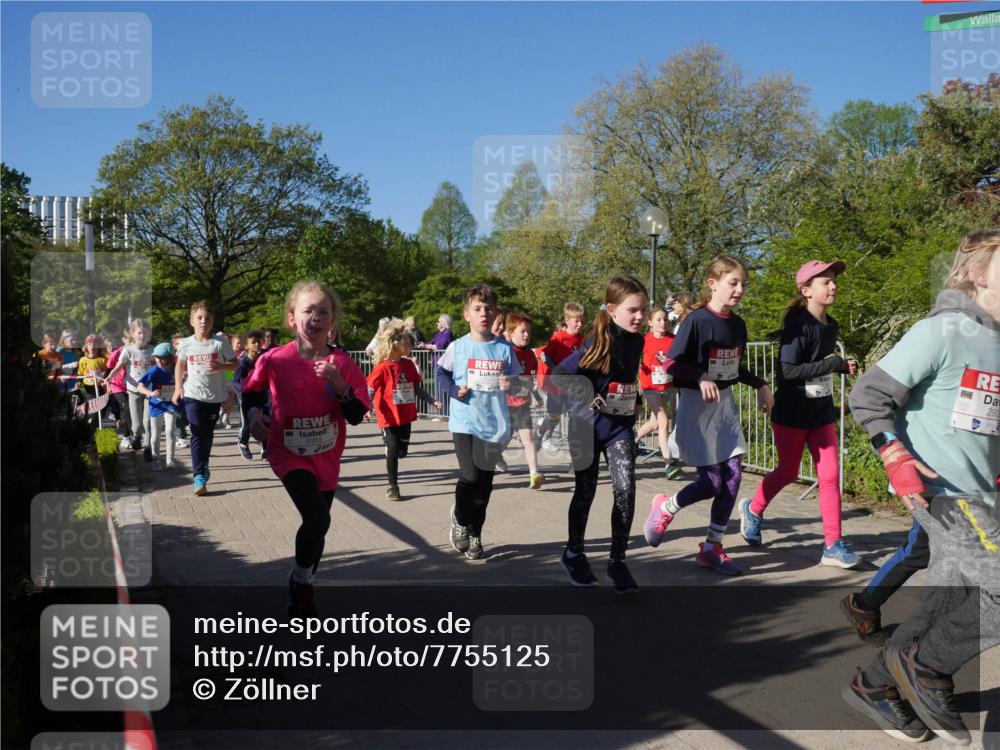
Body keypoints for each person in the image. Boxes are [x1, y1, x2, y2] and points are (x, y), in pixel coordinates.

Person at [840, 230, 999, 745]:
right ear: (980, 274)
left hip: (984, 493)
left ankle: (875, 685)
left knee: (949, 601)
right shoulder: (945, 330)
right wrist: (894, 454)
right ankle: (928, 667)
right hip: (947, 491)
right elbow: (868, 395)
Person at [242, 281, 369, 615]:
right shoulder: (274, 359)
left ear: (333, 321)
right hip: (287, 452)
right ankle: (300, 581)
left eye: (323, 312)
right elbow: (251, 391)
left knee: (319, 525)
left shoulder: (343, 365)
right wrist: (254, 414)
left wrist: (339, 385)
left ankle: (305, 581)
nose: (315, 317)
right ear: (291, 318)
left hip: (326, 456)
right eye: (307, 311)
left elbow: (356, 416)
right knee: (316, 517)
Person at [643, 255, 774, 575]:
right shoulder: (696, 321)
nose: (740, 289)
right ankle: (666, 506)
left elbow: (732, 367)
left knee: (733, 476)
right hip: (695, 406)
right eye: (733, 282)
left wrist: (761, 384)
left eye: (743, 284)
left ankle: (712, 548)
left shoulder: (738, 325)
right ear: (713, 284)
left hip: (724, 405)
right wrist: (700, 376)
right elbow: (671, 364)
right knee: (712, 482)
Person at [737, 260, 862, 568]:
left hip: (820, 413)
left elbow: (822, 365)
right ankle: (753, 509)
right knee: (788, 472)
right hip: (791, 413)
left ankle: (833, 544)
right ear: (807, 291)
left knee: (830, 476)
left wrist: (843, 366)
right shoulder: (798, 327)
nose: (833, 286)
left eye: (834, 281)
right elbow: (788, 372)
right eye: (825, 282)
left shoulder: (830, 326)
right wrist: (832, 364)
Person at [548, 278, 647, 593]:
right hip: (585, 426)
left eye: (643, 310)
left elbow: (625, 379)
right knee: (586, 491)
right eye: (633, 310)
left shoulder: (638, 340)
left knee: (626, 489)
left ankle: (618, 561)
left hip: (618, 428)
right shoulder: (594, 343)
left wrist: (638, 401)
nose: (639, 317)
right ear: (613, 309)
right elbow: (559, 376)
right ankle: (573, 552)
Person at [437, 284, 520, 561]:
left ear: (495, 313)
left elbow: (519, 384)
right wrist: (452, 392)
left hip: (494, 424)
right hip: (464, 422)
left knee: (484, 486)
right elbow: (441, 373)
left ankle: (475, 534)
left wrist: (512, 384)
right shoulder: (458, 346)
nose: (483, 313)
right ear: (466, 315)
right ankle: (460, 517)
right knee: (470, 477)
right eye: (477, 309)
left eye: (488, 308)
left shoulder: (505, 349)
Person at [367, 319, 441, 500]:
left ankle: (393, 451)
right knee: (392, 448)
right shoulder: (382, 368)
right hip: (388, 417)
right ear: (396, 344)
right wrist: (366, 408)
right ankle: (393, 487)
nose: (412, 345)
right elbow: (369, 388)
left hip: (405, 416)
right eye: (408, 343)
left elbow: (416, 388)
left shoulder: (408, 365)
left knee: (402, 452)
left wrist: (431, 400)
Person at [171, 302, 238, 495]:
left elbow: (236, 364)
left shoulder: (220, 343)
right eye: (199, 318)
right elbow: (180, 366)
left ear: (212, 321)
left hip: (214, 396)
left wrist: (221, 367)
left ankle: (204, 465)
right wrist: (178, 388)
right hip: (192, 394)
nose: (203, 322)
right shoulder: (186, 343)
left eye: (207, 319)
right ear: (191, 321)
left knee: (207, 434)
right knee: (197, 432)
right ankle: (198, 476)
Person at [635, 306, 680, 479]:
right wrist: (638, 366)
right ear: (650, 323)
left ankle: (633, 440)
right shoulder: (644, 340)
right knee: (664, 422)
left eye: (665, 320)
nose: (663, 323)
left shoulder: (673, 339)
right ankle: (668, 464)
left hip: (668, 385)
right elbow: (634, 358)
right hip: (650, 386)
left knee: (654, 424)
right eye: (659, 320)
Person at [535, 302, 588, 449]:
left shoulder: (583, 339)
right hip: (555, 385)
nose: (580, 324)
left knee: (575, 416)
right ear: (567, 321)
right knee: (555, 415)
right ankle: (542, 433)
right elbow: (545, 354)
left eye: (582, 321)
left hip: (573, 385)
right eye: (577, 321)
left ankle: (576, 449)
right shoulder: (558, 338)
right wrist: (556, 370)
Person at [503, 311, 544, 489]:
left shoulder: (530, 356)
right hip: (504, 404)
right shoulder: (505, 351)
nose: (526, 335)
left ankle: (534, 473)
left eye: (528, 331)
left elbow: (529, 380)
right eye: (522, 331)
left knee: (528, 439)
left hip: (522, 404)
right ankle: (494, 456)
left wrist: (536, 396)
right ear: (510, 333)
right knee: (503, 439)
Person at [103, 319, 155, 457]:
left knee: (147, 422)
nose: (142, 336)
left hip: (149, 391)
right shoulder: (128, 350)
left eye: (145, 333)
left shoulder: (153, 350)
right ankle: (136, 436)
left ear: (149, 334)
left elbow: (160, 367)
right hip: (133, 391)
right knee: (136, 424)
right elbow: (118, 367)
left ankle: (148, 447)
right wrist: (109, 377)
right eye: (139, 333)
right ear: (132, 333)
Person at [136, 343, 181, 471]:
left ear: (171, 357)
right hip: (156, 405)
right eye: (157, 357)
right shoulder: (154, 370)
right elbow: (139, 386)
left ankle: (170, 459)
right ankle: (156, 459)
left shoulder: (176, 368)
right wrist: (150, 393)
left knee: (170, 430)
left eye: (163, 358)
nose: (159, 361)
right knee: (155, 435)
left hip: (171, 404)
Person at [234, 329, 267, 461]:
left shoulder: (263, 360)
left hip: (262, 395)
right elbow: (236, 382)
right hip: (247, 397)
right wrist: (241, 391)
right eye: (253, 342)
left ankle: (265, 448)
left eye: (259, 342)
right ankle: (243, 442)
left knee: (265, 420)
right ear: (246, 346)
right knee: (247, 423)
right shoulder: (243, 363)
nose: (257, 345)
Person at [104, 328, 132, 449]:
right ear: (123, 340)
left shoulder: (137, 352)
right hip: (117, 386)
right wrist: (108, 384)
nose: (132, 343)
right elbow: (108, 370)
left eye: (134, 340)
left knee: (134, 411)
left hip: (132, 386)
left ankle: (134, 435)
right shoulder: (117, 353)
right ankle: (126, 437)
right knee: (127, 408)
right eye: (129, 340)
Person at [424, 314, 456, 419]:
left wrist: (427, 346)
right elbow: (431, 343)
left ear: (444, 322)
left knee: (442, 388)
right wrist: (423, 345)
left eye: (438, 321)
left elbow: (440, 346)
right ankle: (441, 412)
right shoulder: (438, 334)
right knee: (437, 388)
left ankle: (444, 413)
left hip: (444, 365)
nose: (437, 323)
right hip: (436, 363)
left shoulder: (448, 333)